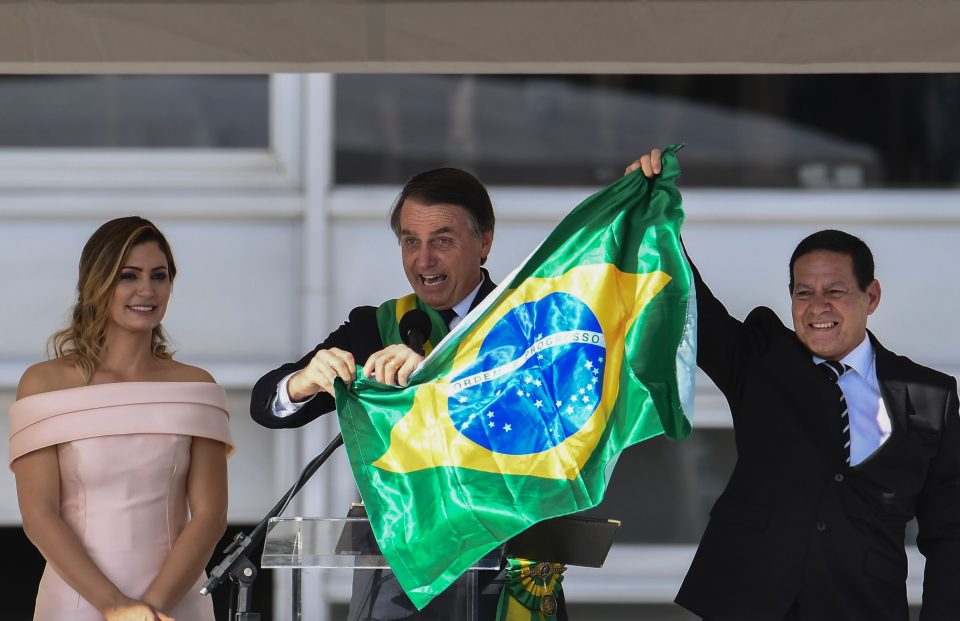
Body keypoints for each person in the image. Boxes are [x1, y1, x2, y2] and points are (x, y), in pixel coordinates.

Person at [627, 150, 960, 621]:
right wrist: (654, 217)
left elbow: (951, 533)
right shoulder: (762, 360)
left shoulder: (930, 395)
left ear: (872, 296)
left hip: (862, 606)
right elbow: (689, 305)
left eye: (835, 292)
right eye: (804, 292)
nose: (817, 306)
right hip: (751, 601)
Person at [250, 167, 567, 620]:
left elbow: (548, 426)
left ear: (484, 243)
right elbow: (266, 405)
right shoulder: (377, 326)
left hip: (501, 570)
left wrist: (436, 382)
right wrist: (303, 380)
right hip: (395, 582)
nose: (424, 260)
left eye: (442, 241)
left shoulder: (530, 324)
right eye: (410, 241)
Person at [9, 216, 234, 621]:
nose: (146, 290)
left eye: (158, 276)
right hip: (75, 603)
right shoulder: (43, 384)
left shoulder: (196, 386)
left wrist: (149, 610)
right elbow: (39, 515)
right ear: (96, 284)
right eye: (128, 276)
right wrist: (115, 606)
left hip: (176, 603)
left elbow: (210, 516)